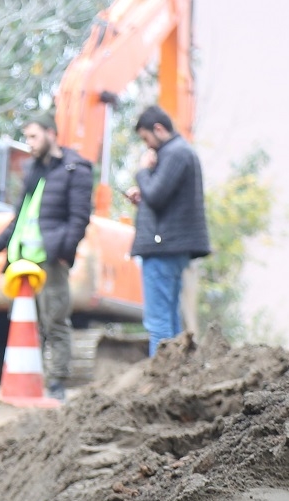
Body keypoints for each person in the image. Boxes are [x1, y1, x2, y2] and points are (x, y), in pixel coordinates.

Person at [0, 116, 93, 400]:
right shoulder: (33, 170)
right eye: (27, 137)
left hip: (50, 260)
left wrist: (64, 253)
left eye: (33, 137)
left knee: (55, 321)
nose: (29, 144)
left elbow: (79, 219)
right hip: (22, 260)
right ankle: (29, 383)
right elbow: (21, 217)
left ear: (51, 134)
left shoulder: (75, 169)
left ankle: (57, 385)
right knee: (26, 324)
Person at [124, 105, 209, 355]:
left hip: (163, 247)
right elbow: (163, 198)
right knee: (169, 316)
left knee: (158, 320)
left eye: (146, 138)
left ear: (158, 129)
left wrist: (142, 171)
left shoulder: (174, 153)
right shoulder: (181, 153)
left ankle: (159, 377)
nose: (147, 146)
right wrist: (145, 194)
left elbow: (157, 195)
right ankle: (172, 375)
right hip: (171, 245)